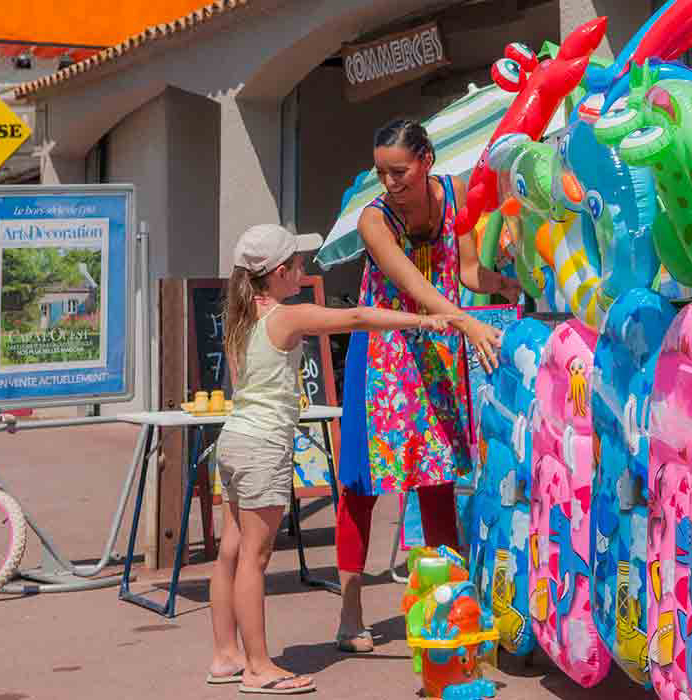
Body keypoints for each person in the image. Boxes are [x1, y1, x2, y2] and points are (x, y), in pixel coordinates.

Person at [207, 223, 457, 694]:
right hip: (262, 447)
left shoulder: (240, 316)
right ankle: (258, 667)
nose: (303, 270)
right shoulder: (286, 316)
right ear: (279, 273)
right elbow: (358, 317)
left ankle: (225, 655)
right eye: (297, 264)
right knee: (255, 559)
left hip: (234, 440)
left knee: (230, 553)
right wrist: (423, 320)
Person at [335, 119, 522, 653]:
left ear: (427, 161)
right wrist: (466, 322)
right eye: (382, 172)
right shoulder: (374, 219)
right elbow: (412, 284)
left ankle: (450, 609)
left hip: (436, 351)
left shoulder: (455, 193)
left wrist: (509, 283)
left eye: (399, 171)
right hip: (383, 354)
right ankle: (350, 611)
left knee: (437, 479)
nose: (389, 182)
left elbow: (465, 272)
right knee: (362, 484)